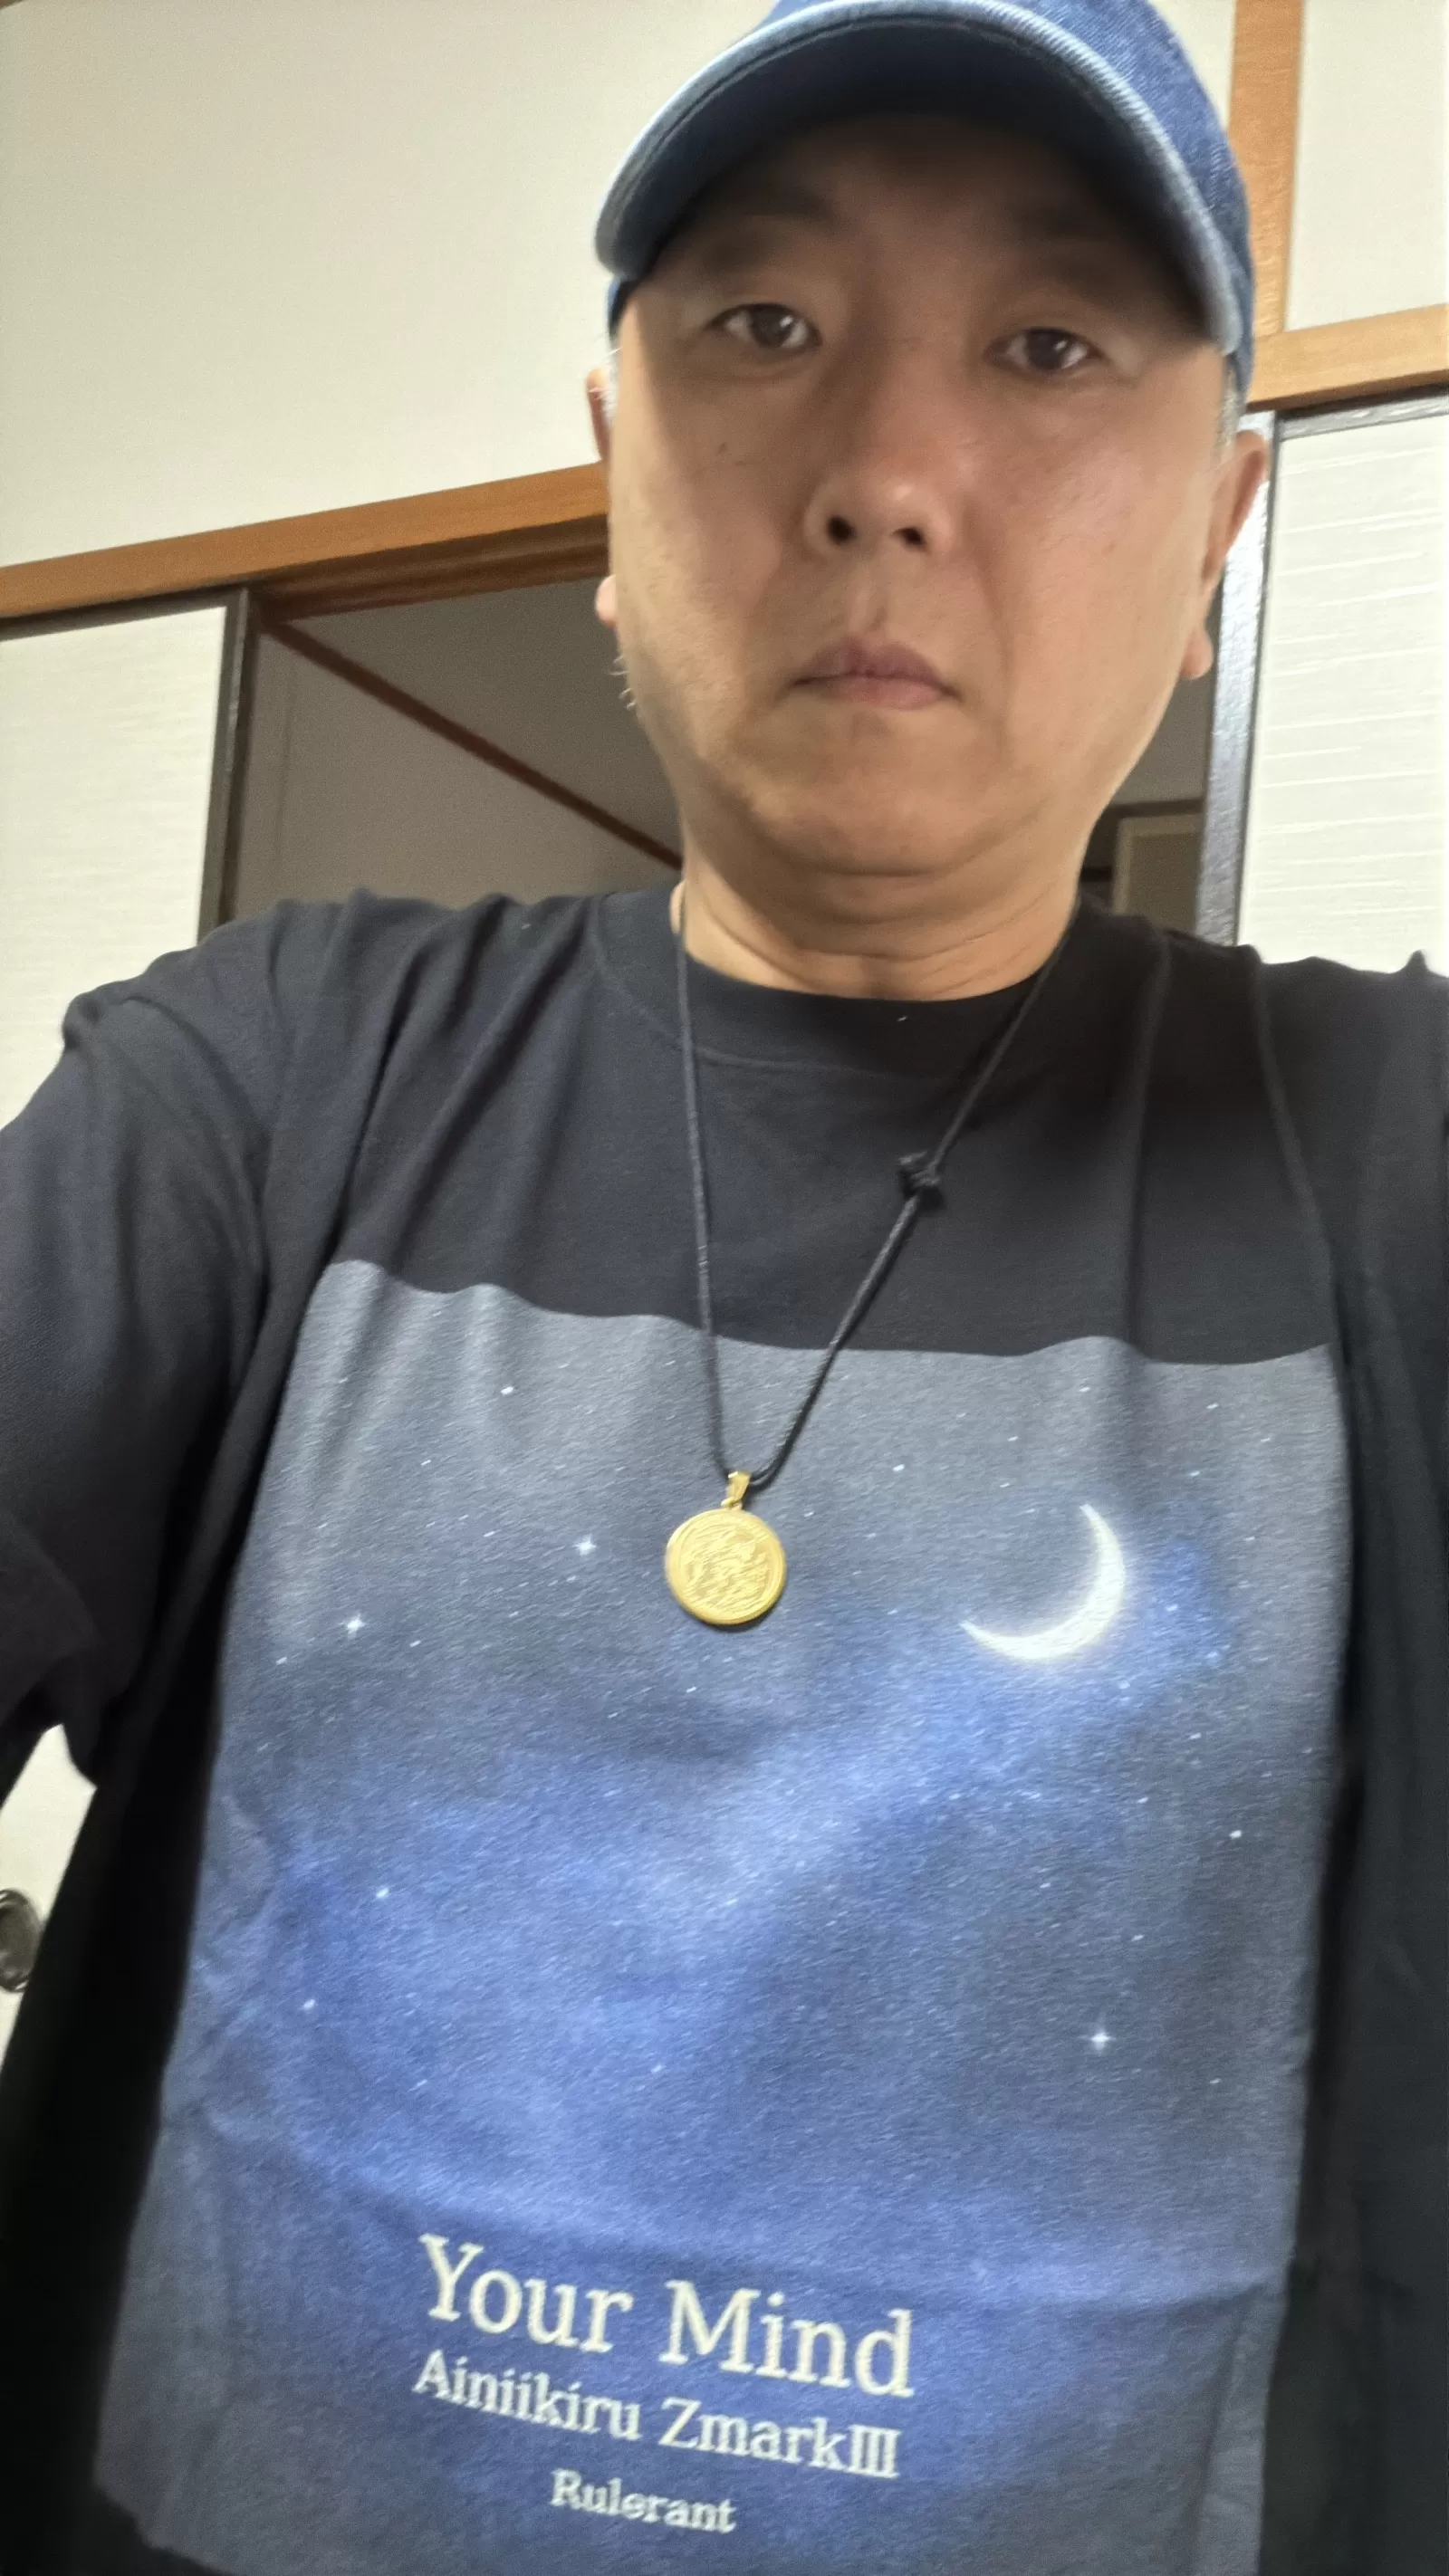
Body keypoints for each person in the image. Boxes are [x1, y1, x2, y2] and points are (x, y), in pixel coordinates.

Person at [0, 0, 1442, 2570]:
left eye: (1049, 346)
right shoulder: (265, 1080)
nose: (886, 473)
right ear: (611, 471)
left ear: (1219, 535)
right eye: (765, 324)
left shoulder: (1399, 1163)